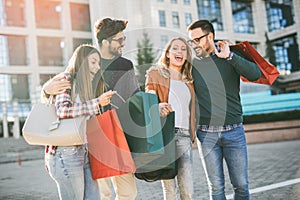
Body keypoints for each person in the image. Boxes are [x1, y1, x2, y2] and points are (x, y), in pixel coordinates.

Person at [187, 20, 261, 199]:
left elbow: (255, 74)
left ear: (210, 37)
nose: (193, 45)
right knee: (216, 188)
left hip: (234, 131)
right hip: (206, 135)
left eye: (197, 40)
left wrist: (230, 57)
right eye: (191, 41)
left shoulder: (229, 57)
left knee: (241, 186)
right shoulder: (192, 65)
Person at [44, 44, 116, 200]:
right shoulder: (67, 79)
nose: (97, 67)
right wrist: (96, 103)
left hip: (83, 150)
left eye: (98, 63)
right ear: (82, 61)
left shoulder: (87, 86)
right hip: (65, 153)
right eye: (93, 62)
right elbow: (62, 110)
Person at [93, 17, 139, 200]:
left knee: (128, 192)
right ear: (105, 42)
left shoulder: (125, 65)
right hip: (96, 136)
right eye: (119, 40)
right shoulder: (89, 63)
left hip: (121, 137)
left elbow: (135, 97)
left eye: (124, 38)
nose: (123, 43)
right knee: (102, 194)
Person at [145, 37, 196, 200]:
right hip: (165, 135)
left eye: (183, 49)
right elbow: (149, 92)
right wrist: (155, 105)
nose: (179, 52)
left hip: (184, 136)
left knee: (187, 190)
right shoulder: (155, 73)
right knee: (170, 190)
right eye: (175, 48)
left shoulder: (190, 81)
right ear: (168, 53)